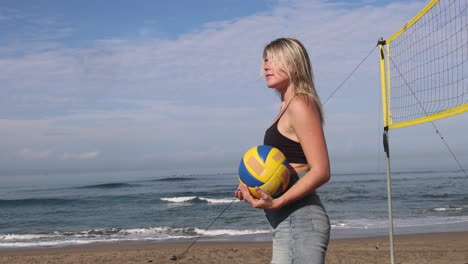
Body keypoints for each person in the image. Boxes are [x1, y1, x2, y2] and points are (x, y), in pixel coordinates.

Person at [235, 38, 331, 264]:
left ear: (295, 64)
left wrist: (276, 202)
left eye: (274, 60)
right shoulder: (285, 107)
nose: (266, 66)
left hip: (300, 220)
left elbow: (321, 171)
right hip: (287, 220)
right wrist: (254, 189)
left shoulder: (301, 103)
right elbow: (281, 171)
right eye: (265, 60)